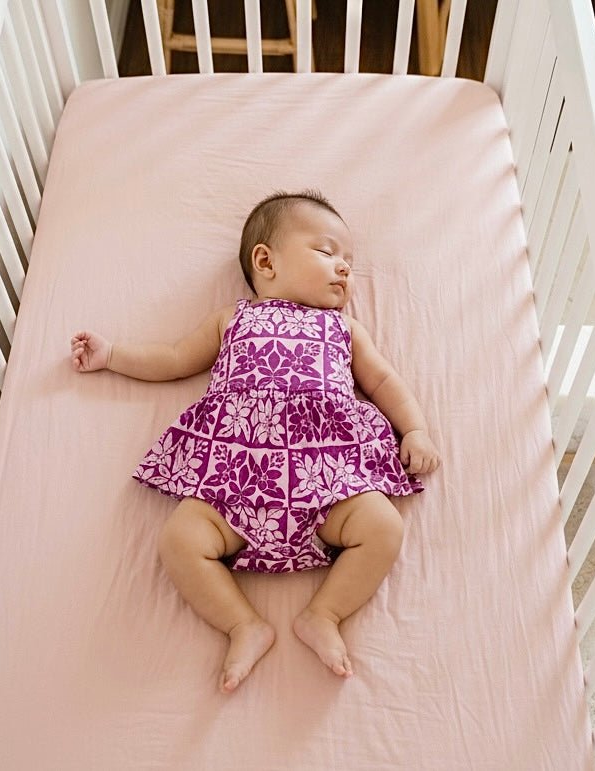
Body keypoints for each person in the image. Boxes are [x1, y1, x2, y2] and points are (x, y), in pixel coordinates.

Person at [70, 190, 440, 694]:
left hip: (325, 480)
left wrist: (414, 429)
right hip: (234, 482)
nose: (344, 269)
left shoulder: (343, 328)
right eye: (326, 251)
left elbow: (383, 381)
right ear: (265, 262)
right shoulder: (233, 320)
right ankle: (243, 624)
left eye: (350, 263)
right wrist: (113, 355)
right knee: (179, 540)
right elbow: (174, 358)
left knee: (384, 526)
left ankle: (324, 614)